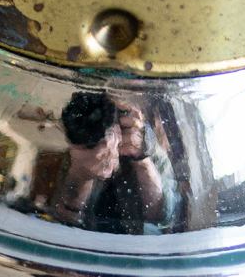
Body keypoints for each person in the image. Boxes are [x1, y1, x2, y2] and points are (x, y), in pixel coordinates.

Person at [50, 90, 165, 233]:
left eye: (119, 113)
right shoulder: (80, 151)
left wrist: (140, 158)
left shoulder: (151, 151)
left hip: (136, 241)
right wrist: (83, 175)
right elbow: (65, 222)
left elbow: (159, 217)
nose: (103, 122)